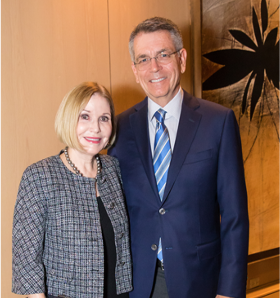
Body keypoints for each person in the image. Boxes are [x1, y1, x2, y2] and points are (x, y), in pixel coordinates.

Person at [108, 17, 249, 298]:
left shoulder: (218, 122)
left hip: (201, 281)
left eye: (163, 55)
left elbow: (234, 216)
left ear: (181, 59)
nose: (154, 67)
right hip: (137, 284)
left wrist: (229, 291)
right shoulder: (118, 129)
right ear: (135, 70)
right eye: (144, 59)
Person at [12, 82, 132, 298]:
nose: (95, 127)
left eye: (104, 118)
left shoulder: (113, 170)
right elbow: (27, 261)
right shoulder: (40, 176)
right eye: (85, 116)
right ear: (68, 118)